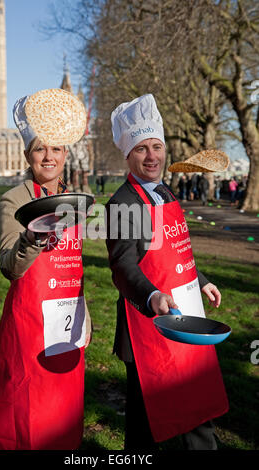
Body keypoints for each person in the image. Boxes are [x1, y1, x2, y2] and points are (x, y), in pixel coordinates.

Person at [105, 94, 229, 450]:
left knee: (196, 407)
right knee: (147, 427)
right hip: (147, 326)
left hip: (185, 316)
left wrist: (202, 281)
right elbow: (122, 267)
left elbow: (178, 252)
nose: (151, 156)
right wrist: (152, 295)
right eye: (141, 149)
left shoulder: (167, 193)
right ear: (128, 156)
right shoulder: (122, 204)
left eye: (156, 147)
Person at [0, 90, 92, 450]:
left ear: (65, 154)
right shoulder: (14, 199)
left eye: (56, 148)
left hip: (66, 322)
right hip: (29, 323)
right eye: (40, 149)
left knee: (63, 410)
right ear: (28, 155)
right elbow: (9, 267)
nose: (49, 156)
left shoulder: (76, 198)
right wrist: (32, 238)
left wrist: (85, 313)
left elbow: (73, 265)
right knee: (28, 407)